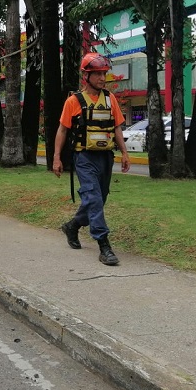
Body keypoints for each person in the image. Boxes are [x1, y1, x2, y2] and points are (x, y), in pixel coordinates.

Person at [52, 53, 130, 265]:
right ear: (86, 76)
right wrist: (56, 158)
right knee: (93, 198)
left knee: (98, 199)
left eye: (104, 74)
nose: (102, 78)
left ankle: (72, 226)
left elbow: (117, 128)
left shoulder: (110, 98)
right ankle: (104, 245)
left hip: (106, 157)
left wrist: (124, 152)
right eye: (97, 74)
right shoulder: (73, 101)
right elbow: (62, 130)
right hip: (84, 157)